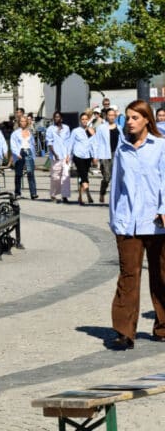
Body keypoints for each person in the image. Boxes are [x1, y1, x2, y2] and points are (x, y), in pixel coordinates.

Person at [107, 99, 165, 349]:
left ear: (147, 120)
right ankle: (124, 332)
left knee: (162, 274)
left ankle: (163, 326)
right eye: (128, 118)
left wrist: (164, 209)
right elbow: (116, 188)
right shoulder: (122, 150)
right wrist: (115, 219)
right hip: (128, 223)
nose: (129, 122)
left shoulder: (161, 147)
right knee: (128, 275)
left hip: (156, 222)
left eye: (134, 118)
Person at [94, 107, 121, 203]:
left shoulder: (119, 128)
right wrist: (95, 156)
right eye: (110, 115)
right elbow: (96, 142)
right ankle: (102, 192)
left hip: (116, 155)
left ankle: (114, 197)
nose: (111, 117)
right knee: (107, 177)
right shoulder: (101, 128)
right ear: (106, 116)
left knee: (115, 177)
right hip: (104, 154)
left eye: (113, 115)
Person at [10, 115, 39, 200]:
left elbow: (33, 144)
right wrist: (16, 153)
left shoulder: (29, 132)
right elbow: (13, 145)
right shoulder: (15, 133)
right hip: (20, 152)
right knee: (18, 173)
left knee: (30, 173)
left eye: (24, 121)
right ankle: (17, 192)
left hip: (29, 152)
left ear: (27, 122)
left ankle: (33, 193)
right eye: (21, 121)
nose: (23, 123)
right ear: (19, 122)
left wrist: (33, 156)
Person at [71, 112, 97, 205]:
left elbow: (94, 144)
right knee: (83, 175)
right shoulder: (75, 131)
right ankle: (88, 194)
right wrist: (68, 157)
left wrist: (95, 156)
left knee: (84, 176)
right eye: (82, 119)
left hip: (88, 156)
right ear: (80, 121)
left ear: (88, 120)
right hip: (78, 156)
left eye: (86, 119)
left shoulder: (91, 130)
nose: (84, 121)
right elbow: (71, 144)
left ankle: (80, 197)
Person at [46, 112, 72, 203]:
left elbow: (69, 142)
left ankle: (65, 196)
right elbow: (49, 143)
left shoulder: (66, 128)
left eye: (58, 117)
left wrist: (68, 155)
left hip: (65, 156)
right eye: (55, 117)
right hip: (55, 156)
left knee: (65, 177)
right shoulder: (50, 129)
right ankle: (53, 195)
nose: (56, 118)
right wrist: (54, 153)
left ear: (61, 118)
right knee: (55, 177)